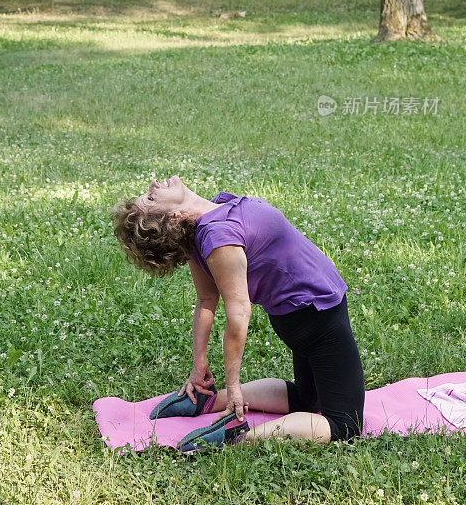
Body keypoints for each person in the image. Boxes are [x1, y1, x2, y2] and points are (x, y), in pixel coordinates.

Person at [112, 175, 365, 452]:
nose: (152, 186)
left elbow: (206, 299)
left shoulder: (205, 221)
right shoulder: (218, 236)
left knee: (307, 398)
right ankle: (239, 435)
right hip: (316, 317)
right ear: (173, 217)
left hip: (305, 312)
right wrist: (234, 386)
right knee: (345, 424)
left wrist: (199, 368)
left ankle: (209, 401)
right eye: (149, 198)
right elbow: (237, 313)